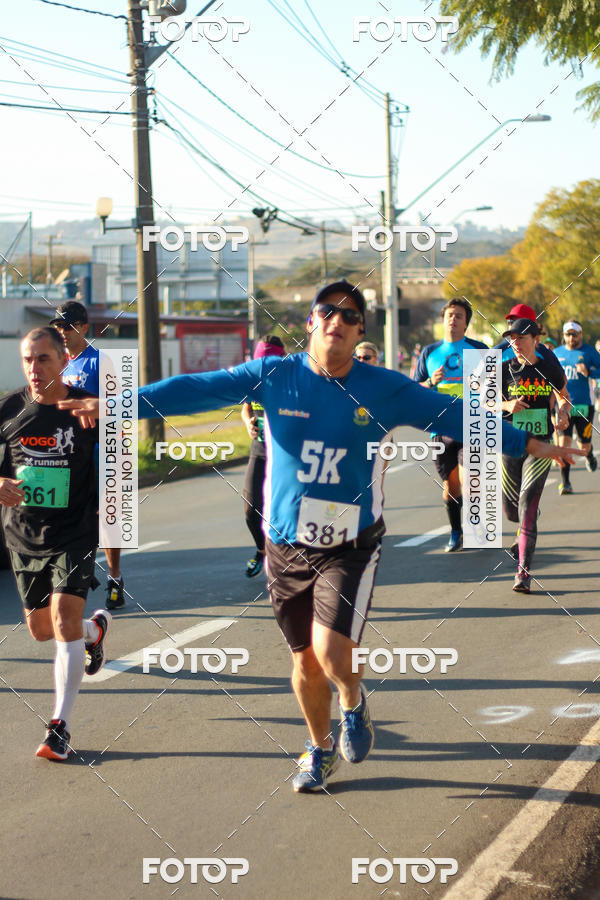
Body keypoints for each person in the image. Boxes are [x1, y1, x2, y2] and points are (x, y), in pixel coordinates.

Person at [59, 281, 583, 793]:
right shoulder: (274, 375)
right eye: (327, 311)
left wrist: (531, 443)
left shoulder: (383, 387)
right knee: (304, 663)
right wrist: (121, 405)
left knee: (332, 654)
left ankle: (352, 701)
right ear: (310, 322)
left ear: (359, 334)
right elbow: (195, 389)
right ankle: (319, 747)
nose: (338, 320)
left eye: (351, 316)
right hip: (285, 545)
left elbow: (454, 415)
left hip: (351, 545)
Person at [0, 327, 110, 760]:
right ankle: (94, 632)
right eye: (28, 359)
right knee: (42, 630)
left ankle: (58, 728)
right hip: (24, 534)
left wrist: (114, 513)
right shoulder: (9, 408)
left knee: (63, 618)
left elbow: (120, 458)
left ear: (63, 360)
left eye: (43, 359)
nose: (34, 368)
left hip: (75, 531)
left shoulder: (85, 407)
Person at [50, 301, 126, 610]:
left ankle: (115, 577)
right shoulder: (57, 364)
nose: (62, 333)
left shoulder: (99, 362)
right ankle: (74, 576)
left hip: (98, 452)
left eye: (67, 327)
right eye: (58, 327)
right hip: (64, 454)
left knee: (107, 519)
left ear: (83, 327)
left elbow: (118, 408)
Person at [501, 318, 570, 592]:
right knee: (511, 510)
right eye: (512, 338)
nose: (515, 343)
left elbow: (564, 396)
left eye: (520, 338)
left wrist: (562, 413)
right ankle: (524, 520)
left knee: (527, 506)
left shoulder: (549, 367)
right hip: (509, 444)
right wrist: (506, 403)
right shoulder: (502, 369)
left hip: (540, 443)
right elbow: (482, 401)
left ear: (535, 340)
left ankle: (523, 572)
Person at [414, 298, 488, 552]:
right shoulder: (429, 353)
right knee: (451, 485)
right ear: (443, 319)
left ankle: (476, 526)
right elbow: (416, 390)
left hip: (472, 425)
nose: (453, 319)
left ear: (466, 323)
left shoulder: (480, 350)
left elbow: (495, 387)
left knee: (472, 480)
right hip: (441, 429)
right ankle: (456, 532)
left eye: (458, 316)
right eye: (449, 315)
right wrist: (431, 382)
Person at [240, 335, 286, 578]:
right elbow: (246, 407)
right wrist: (248, 423)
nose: (265, 366)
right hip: (259, 450)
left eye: (271, 361)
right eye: (261, 361)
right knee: (251, 510)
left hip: (286, 453)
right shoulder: (253, 379)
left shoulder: (292, 381)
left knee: (284, 509)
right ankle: (261, 550)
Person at [554, 320, 600, 494]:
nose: (571, 337)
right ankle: (565, 483)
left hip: (583, 405)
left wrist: (589, 373)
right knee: (564, 445)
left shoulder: (589, 352)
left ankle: (589, 454)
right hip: (563, 406)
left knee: (583, 446)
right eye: (567, 334)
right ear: (564, 335)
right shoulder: (557, 353)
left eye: (574, 334)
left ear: (580, 334)